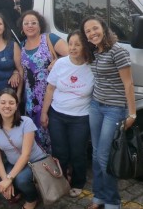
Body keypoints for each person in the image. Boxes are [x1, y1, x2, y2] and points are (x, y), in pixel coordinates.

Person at [80, 15, 137, 209]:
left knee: (104, 157)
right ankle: (99, 196)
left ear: (103, 28)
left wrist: (132, 113)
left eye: (95, 28)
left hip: (114, 109)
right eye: (88, 31)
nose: (92, 33)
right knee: (96, 155)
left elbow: (128, 83)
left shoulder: (117, 51)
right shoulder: (95, 52)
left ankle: (113, 202)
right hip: (96, 106)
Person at [40, 30, 94, 198]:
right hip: (57, 115)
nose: (73, 48)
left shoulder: (92, 66)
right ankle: (61, 180)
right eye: (70, 44)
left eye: (78, 44)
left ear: (85, 46)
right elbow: (50, 88)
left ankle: (78, 182)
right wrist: (44, 113)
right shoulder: (61, 63)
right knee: (60, 152)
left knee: (78, 152)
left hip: (81, 117)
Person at [17, 10, 68, 153]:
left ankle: (59, 168)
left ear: (40, 25)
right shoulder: (21, 45)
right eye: (26, 23)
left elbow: (73, 56)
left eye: (34, 23)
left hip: (51, 96)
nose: (30, 26)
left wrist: (57, 60)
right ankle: (42, 168)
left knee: (55, 134)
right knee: (35, 134)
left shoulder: (49, 39)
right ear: (22, 27)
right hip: (31, 100)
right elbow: (21, 69)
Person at [0, 88, 45, 209]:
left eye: (11, 103)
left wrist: (9, 179)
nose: (7, 106)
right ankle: (19, 191)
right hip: (14, 163)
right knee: (4, 178)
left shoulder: (26, 122)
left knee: (20, 179)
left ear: (16, 106)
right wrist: (5, 180)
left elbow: (25, 155)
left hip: (34, 161)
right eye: (3, 102)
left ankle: (32, 199)